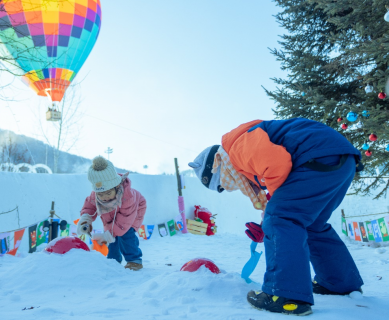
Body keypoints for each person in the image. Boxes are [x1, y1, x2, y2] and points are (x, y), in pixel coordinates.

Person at [188, 118, 364, 316]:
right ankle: (338, 282)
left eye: (222, 184)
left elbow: (277, 166)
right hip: (340, 160)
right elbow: (281, 179)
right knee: (313, 224)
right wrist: (270, 218)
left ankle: (285, 296)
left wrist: (272, 219)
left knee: (281, 219)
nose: (230, 188)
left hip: (318, 158)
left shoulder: (237, 146)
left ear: (219, 165)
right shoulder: (243, 146)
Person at [77, 156, 146, 271]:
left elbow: (124, 221)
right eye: (100, 194)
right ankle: (113, 260)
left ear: (116, 186)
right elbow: (90, 206)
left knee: (126, 235)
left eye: (108, 193)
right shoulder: (96, 195)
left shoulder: (127, 197)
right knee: (112, 238)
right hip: (110, 215)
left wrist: (109, 234)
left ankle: (134, 260)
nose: (104, 197)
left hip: (133, 211)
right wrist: (86, 220)